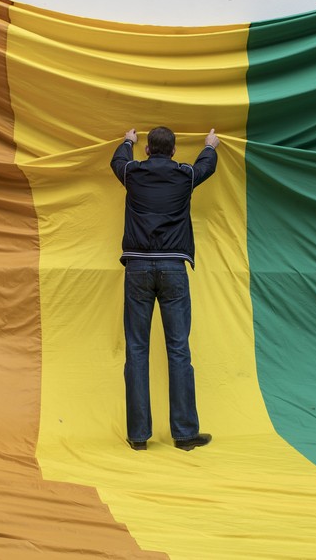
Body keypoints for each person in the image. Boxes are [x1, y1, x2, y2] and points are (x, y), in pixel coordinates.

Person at [111, 126, 219, 451]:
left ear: (147, 150)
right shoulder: (184, 175)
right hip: (173, 268)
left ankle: (138, 437)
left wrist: (128, 140)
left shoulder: (133, 172)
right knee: (178, 350)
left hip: (138, 268)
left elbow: (117, 161)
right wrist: (209, 145)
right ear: (173, 152)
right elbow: (206, 167)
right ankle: (185, 435)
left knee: (137, 350)